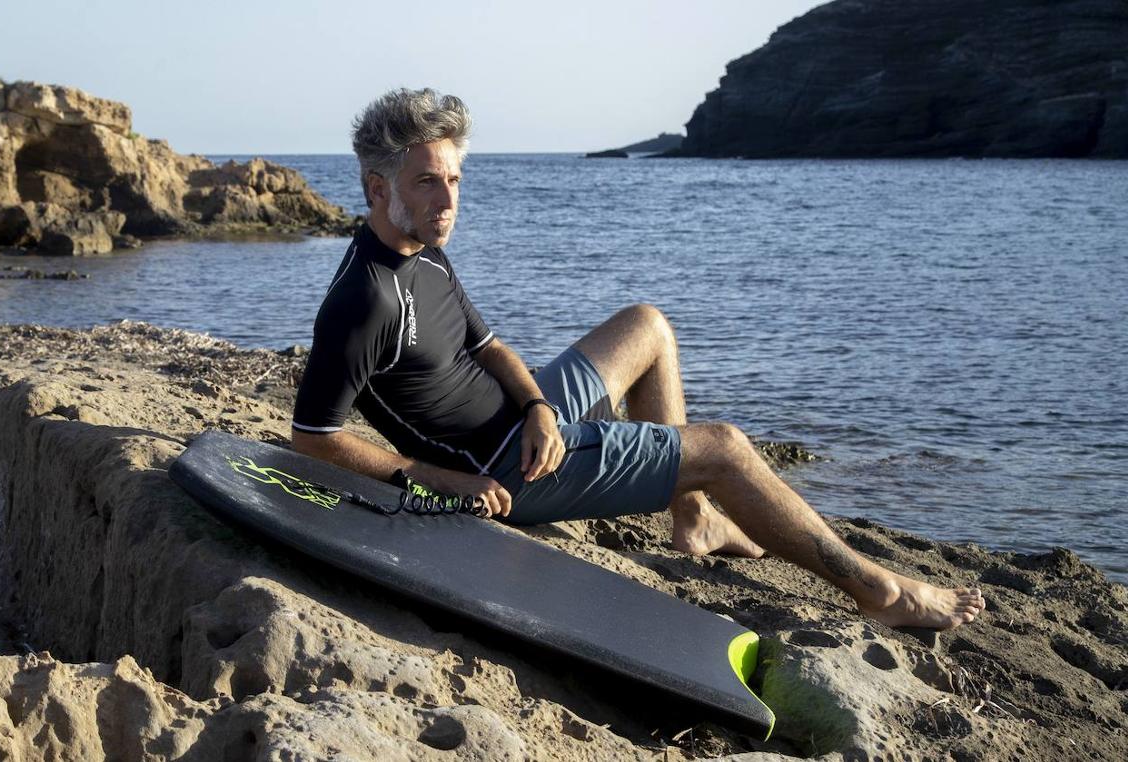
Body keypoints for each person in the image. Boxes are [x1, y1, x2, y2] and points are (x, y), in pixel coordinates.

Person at [291, 88, 985, 631]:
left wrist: (538, 406)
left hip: (524, 427)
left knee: (648, 325)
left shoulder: (425, 249)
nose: (447, 201)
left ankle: (694, 523)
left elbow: (488, 346)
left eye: (455, 180)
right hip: (502, 472)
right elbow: (314, 438)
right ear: (378, 189)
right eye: (427, 183)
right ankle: (880, 591)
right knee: (727, 448)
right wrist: (446, 482)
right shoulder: (364, 301)